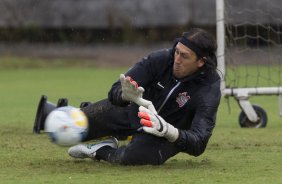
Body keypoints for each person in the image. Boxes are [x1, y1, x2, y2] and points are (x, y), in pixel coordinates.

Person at [34, 28, 221, 165]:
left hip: (163, 135)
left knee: (133, 158)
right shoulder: (160, 59)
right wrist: (124, 96)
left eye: (184, 56)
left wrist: (168, 131)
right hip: (132, 112)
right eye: (176, 52)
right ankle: (83, 115)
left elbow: (199, 143)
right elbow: (114, 91)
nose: (177, 59)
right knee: (77, 124)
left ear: (201, 62)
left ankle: (101, 150)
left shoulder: (209, 87)